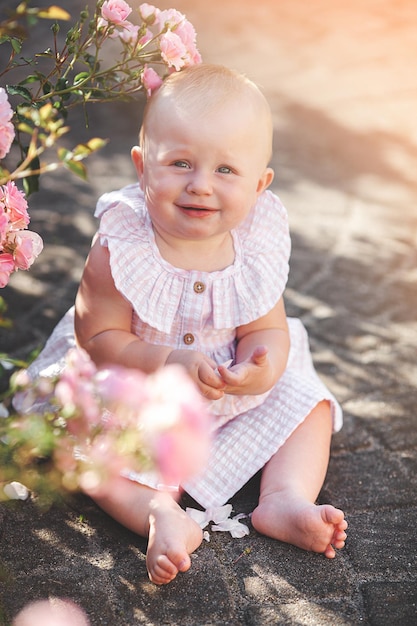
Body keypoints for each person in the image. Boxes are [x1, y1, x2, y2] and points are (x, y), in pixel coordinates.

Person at [20, 64, 347, 585]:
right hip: (136, 384)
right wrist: (167, 362)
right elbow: (98, 338)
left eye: (226, 171)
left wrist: (261, 367)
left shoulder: (255, 243)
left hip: (225, 389)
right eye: (180, 163)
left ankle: (286, 498)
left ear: (260, 185)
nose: (200, 186)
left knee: (306, 399)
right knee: (81, 438)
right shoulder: (122, 241)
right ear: (142, 166)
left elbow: (267, 330)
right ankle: (157, 510)